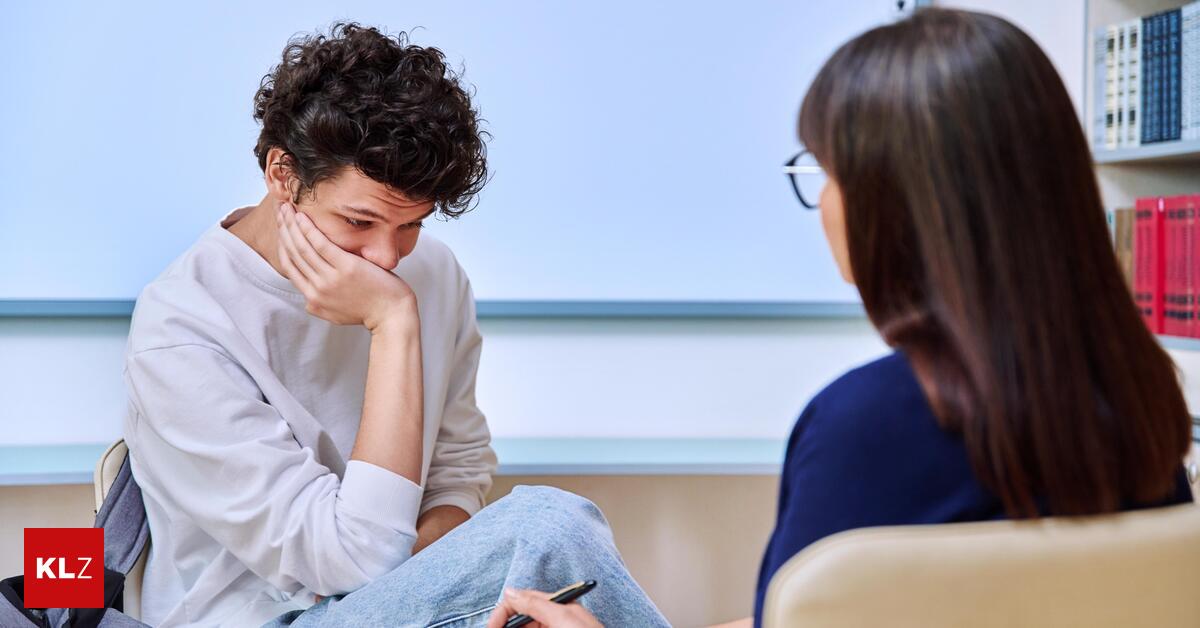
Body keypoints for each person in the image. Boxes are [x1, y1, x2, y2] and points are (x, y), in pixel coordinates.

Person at [489, 8, 1196, 628]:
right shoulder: (1141, 404)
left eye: (827, 172)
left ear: (896, 201)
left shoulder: (867, 427)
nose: (823, 201)